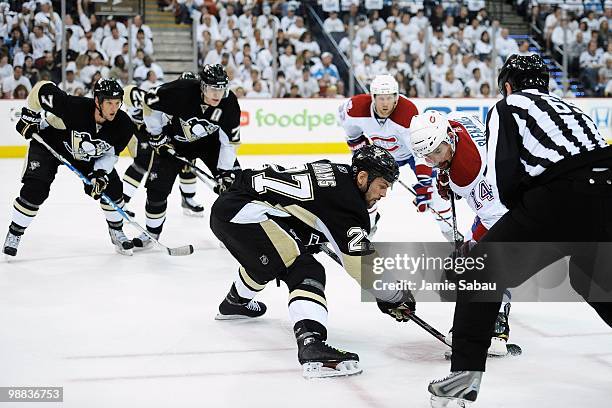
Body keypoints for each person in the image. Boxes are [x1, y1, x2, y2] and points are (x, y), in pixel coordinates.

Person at [428, 54, 612, 406]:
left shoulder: (507, 106)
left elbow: (505, 174)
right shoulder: (573, 109)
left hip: (564, 193)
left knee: (479, 269)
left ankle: (464, 375)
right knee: (591, 277)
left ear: (507, 86)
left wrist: (518, 224)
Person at [210, 145, 415, 378]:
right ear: (362, 178)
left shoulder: (335, 172)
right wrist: (394, 296)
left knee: (273, 258)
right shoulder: (347, 204)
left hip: (233, 207)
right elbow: (359, 262)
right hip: (244, 215)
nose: (384, 193)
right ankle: (312, 344)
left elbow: (306, 211)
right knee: (305, 268)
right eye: (383, 185)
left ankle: (234, 303)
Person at [409, 110, 513, 356]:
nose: (433, 159)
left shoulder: (468, 172)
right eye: (428, 156)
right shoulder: (456, 123)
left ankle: (493, 325)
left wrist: (468, 247)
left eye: (437, 152)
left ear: (449, 138)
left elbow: (495, 219)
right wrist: (444, 172)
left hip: (510, 206)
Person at [2, 79, 135, 257]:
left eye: (118, 103)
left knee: (112, 189)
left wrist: (100, 174)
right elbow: (43, 88)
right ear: (97, 101)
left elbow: (110, 154)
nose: (114, 108)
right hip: (50, 145)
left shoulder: (124, 125)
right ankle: (14, 233)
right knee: (35, 189)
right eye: (109, 103)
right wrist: (29, 116)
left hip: (86, 157)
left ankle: (116, 232)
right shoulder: (73, 107)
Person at [132, 64, 241, 248]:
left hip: (210, 144)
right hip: (176, 143)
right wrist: (156, 134)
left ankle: (231, 233)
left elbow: (229, 141)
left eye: (221, 89)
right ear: (202, 86)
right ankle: (152, 234)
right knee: (157, 188)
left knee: (235, 185)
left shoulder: (229, 103)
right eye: (212, 89)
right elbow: (149, 100)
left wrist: (225, 171)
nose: (217, 94)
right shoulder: (182, 90)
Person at [338, 74, 453, 240]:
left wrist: (425, 183)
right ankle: (368, 224)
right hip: (382, 155)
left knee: (435, 191)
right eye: (381, 98)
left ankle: (448, 228)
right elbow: (353, 136)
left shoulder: (407, 113)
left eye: (390, 98)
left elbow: (420, 152)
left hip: (412, 154)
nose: (385, 103)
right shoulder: (355, 109)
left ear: (396, 98)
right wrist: (363, 156)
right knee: (365, 188)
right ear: (373, 98)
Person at [121, 71, 205, 217]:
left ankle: (188, 198)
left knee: (187, 161)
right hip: (146, 132)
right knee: (142, 162)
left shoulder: (198, 103)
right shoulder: (167, 94)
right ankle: (121, 201)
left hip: (166, 135)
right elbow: (130, 93)